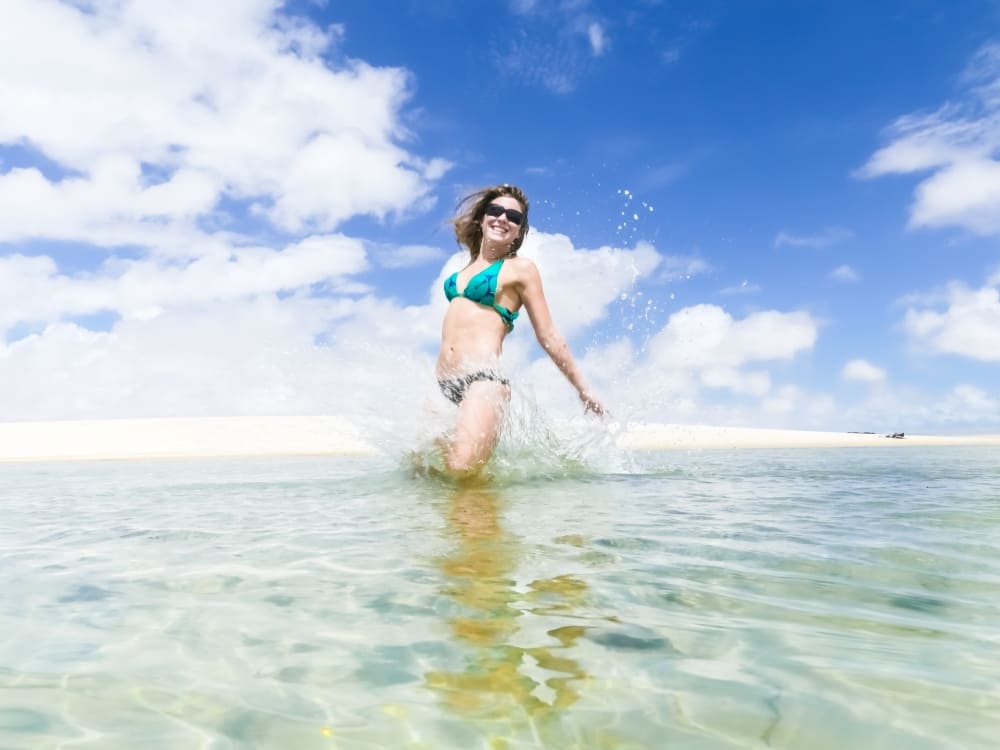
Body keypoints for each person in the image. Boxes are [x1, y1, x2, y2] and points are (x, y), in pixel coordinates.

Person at [436, 184, 605, 474]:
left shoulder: (521, 269)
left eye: (514, 217)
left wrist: (583, 389)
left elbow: (548, 334)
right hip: (445, 387)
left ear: (518, 232)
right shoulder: (459, 271)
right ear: (481, 218)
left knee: (461, 471)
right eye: (495, 211)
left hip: (482, 381)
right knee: (421, 471)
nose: (503, 218)